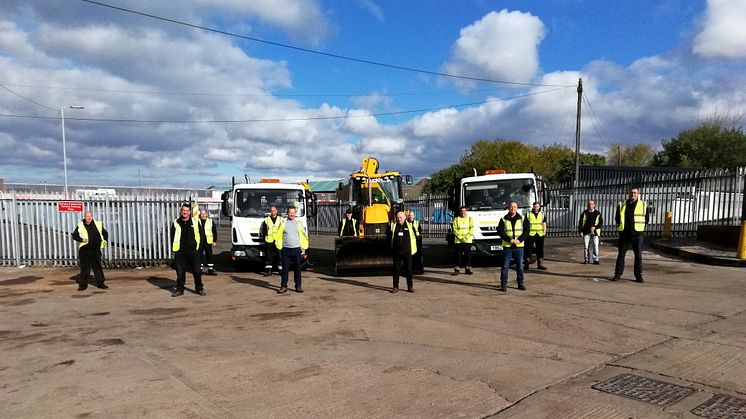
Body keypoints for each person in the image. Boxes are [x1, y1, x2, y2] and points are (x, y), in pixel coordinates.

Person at [613, 187, 649, 283]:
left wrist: (640, 228)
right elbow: (617, 218)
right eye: (631, 192)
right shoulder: (622, 205)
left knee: (638, 256)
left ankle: (638, 276)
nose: (633, 194)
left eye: (635, 193)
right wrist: (620, 229)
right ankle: (617, 274)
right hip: (624, 234)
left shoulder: (643, 204)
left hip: (638, 234)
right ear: (629, 193)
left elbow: (646, 219)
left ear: (638, 193)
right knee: (621, 255)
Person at [170, 203, 204, 297]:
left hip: (194, 251)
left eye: (186, 210)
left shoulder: (196, 221)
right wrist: (175, 249)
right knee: (180, 272)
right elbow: (172, 237)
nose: (185, 212)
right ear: (181, 211)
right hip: (180, 252)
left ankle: (199, 288)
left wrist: (199, 249)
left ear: (189, 212)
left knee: (197, 271)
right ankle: (180, 289)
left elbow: (201, 236)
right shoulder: (176, 222)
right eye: (183, 210)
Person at [71, 211, 108, 291]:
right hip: (85, 251)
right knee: (85, 269)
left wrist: (105, 240)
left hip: (96, 250)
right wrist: (81, 239)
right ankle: (83, 285)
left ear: (92, 217)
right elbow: (74, 235)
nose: (89, 218)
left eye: (90, 216)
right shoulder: (80, 225)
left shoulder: (98, 224)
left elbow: (105, 233)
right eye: (87, 216)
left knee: (97, 267)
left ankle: (101, 284)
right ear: (84, 217)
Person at [275, 206, 309, 294]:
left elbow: (303, 235)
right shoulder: (283, 223)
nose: (292, 214)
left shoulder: (298, 223)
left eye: (293, 213)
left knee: (297, 269)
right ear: (287, 213)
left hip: (296, 249)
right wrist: (280, 246)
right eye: (290, 212)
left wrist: (303, 247)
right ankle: (283, 286)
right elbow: (279, 235)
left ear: (295, 213)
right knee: (285, 269)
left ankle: (298, 286)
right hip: (286, 250)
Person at [497, 201, 528, 292]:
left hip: (519, 246)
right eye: (511, 207)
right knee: (505, 266)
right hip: (507, 246)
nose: (512, 208)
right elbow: (500, 231)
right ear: (508, 208)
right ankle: (503, 284)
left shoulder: (523, 218)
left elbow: (526, 231)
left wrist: (519, 240)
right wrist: (509, 240)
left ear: (517, 208)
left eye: (514, 207)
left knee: (520, 266)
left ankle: (520, 283)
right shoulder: (503, 219)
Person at [389, 210, 417, 293]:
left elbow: (416, 236)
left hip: (407, 252)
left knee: (408, 270)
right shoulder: (393, 226)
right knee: (396, 270)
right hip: (397, 253)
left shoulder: (410, 225)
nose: (399, 219)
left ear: (404, 217)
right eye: (398, 218)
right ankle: (395, 287)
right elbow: (390, 238)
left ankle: (410, 287)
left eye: (400, 217)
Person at [523, 201, 547, 271]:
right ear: (533, 207)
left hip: (540, 233)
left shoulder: (542, 214)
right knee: (528, 249)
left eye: (537, 206)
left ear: (539, 207)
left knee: (540, 249)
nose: (535, 208)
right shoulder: (528, 214)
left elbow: (544, 223)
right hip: (531, 234)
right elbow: (526, 225)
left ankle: (540, 264)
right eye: (534, 206)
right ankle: (526, 264)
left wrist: (544, 232)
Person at [578, 200, 603, 265]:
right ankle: (586, 260)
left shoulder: (597, 213)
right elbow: (581, 222)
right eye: (589, 204)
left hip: (595, 232)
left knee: (595, 246)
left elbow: (601, 223)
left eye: (592, 204)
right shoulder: (584, 213)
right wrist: (580, 231)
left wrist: (595, 227)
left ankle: (596, 260)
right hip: (586, 232)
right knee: (586, 246)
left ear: (594, 205)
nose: (590, 205)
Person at [451, 206, 474, 275]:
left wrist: (465, 238)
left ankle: (468, 269)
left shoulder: (470, 219)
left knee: (468, 256)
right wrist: (461, 238)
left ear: (466, 211)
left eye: (464, 211)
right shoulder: (456, 219)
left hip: (467, 240)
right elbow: (454, 230)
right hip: (458, 241)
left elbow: (471, 230)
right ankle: (457, 269)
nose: (463, 212)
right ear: (460, 212)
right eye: (461, 211)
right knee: (458, 255)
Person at [262, 206, 283, 276]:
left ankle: (280, 270)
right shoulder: (266, 220)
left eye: (274, 211)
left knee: (279, 256)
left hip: (278, 240)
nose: (273, 212)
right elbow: (264, 230)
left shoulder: (281, 219)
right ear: (270, 212)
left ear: (276, 211)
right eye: (272, 211)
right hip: (269, 240)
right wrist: (265, 238)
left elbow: (283, 229)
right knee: (269, 256)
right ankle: (268, 271)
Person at [197, 209, 217, 275]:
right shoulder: (197, 221)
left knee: (209, 255)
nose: (203, 215)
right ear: (200, 215)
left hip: (208, 241)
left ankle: (210, 269)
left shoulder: (210, 221)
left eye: (204, 214)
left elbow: (214, 231)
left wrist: (214, 241)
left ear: (207, 214)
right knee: (200, 255)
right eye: (202, 214)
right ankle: (200, 269)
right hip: (200, 241)